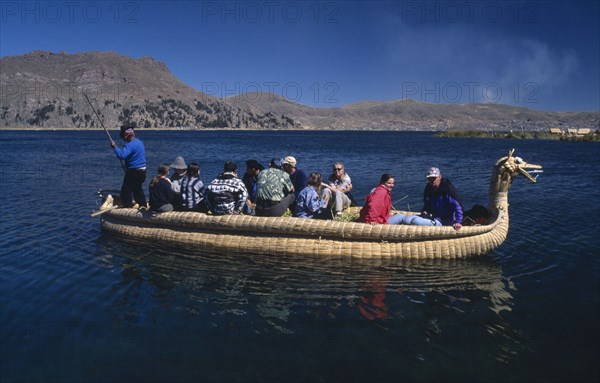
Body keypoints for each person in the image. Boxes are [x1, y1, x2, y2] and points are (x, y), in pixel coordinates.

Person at [111, 123, 147, 209]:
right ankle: (143, 206)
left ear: (126, 135)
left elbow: (122, 155)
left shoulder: (130, 145)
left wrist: (115, 147)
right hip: (142, 171)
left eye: (124, 136)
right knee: (137, 190)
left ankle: (127, 208)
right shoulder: (139, 142)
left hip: (134, 172)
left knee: (126, 192)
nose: (124, 139)